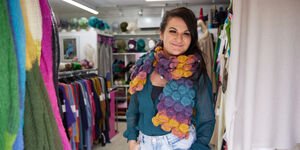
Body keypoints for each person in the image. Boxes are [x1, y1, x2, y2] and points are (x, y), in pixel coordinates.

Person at [123, 7, 215, 150]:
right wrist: (132, 140)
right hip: (144, 144)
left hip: (181, 144)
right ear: (161, 33)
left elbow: (206, 119)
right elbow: (133, 110)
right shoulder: (144, 68)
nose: (179, 39)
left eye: (186, 33)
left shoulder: (196, 73)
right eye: (173, 31)